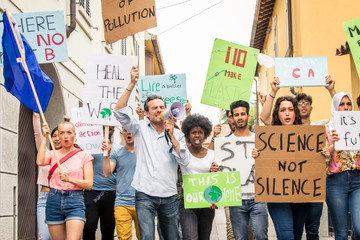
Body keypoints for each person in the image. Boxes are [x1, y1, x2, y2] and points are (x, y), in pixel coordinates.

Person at [113, 65, 190, 240]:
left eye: (162, 107)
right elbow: (118, 112)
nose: (158, 110)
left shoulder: (177, 133)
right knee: (147, 236)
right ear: (147, 113)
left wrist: (172, 136)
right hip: (144, 194)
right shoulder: (139, 128)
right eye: (154, 108)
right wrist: (132, 84)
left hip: (169, 195)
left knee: (172, 237)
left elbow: (185, 162)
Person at [257, 77, 329, 240]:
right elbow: (263, 116)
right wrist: (273, 92)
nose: (287, 113)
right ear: (278, 114)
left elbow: (313, 162)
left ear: (296, 112)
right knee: (287, 236)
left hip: (301, 194)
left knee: (296, 236)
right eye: (282, 110)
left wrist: (323, 153)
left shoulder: (307, 136)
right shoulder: (272, 133)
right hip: (277, 195)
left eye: (290, 109)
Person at [36, 120, 94, 240]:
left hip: (75, 200)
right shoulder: (53, 154)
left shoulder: (84, 155)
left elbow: (89, 184)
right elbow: (40, 161)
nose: (65, 136)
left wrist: (70, 179)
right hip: (53, 199)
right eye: (61, 133)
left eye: (69, 132)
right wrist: (45, 137)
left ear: (75, 134)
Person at [228, 100, 268, 240]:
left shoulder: (260, 139)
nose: (240, 117)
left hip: (258, 197)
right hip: (236, 199)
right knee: (240, 238)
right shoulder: (226, 142)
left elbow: (270, 164)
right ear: (232, 118)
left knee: (261, 236)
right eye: (236, 114)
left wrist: (261, 157)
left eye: (243, 114)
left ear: (248, 116)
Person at [325, 92, 360, 240]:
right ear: (335, 107)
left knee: (359, 228)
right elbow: (322, 160)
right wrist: (333, 145)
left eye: (348, 104)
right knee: (340, 233)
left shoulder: (358, 125)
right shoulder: (326, 129)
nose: (345, 108)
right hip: (335, 182)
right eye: (341, 104)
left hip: (357, 180)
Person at [179, 114, 219, 240]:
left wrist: (215, 171)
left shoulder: (212, 154)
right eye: (193, 132)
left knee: (204, 238)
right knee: (190, 237)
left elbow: (218, 179)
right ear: (188, 135)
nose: (197, 135)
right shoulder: (182, 153)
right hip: (187, 203)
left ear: (205, 134)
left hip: (207, 203)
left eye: (200, 132)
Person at [102, 128, 140, 240]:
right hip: (122, 203)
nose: (128, 132)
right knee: (124, 238)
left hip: (142, 202)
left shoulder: (144, 152)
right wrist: (106, 155)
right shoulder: (117, 153)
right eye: (125, 130)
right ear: (122, 133)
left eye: (131, 129)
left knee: (144, 236)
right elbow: (107, 173)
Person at [83, 126, 117, 240]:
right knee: (89, 225)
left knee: (108, 228)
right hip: (92, 191)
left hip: (111, 193)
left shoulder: (118, 148)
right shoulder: (89, 147)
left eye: (110, 128)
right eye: (102, 128)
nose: (106, 131)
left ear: (113, 131)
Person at [33, 113, 62, 240]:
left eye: (59, 136)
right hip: (45, 199)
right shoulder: (46, 153)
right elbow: (38, 135)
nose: (56, 138)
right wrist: (36, 116)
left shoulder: (72, 156)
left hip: (63, 198)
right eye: (54, 135)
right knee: (44, 237)